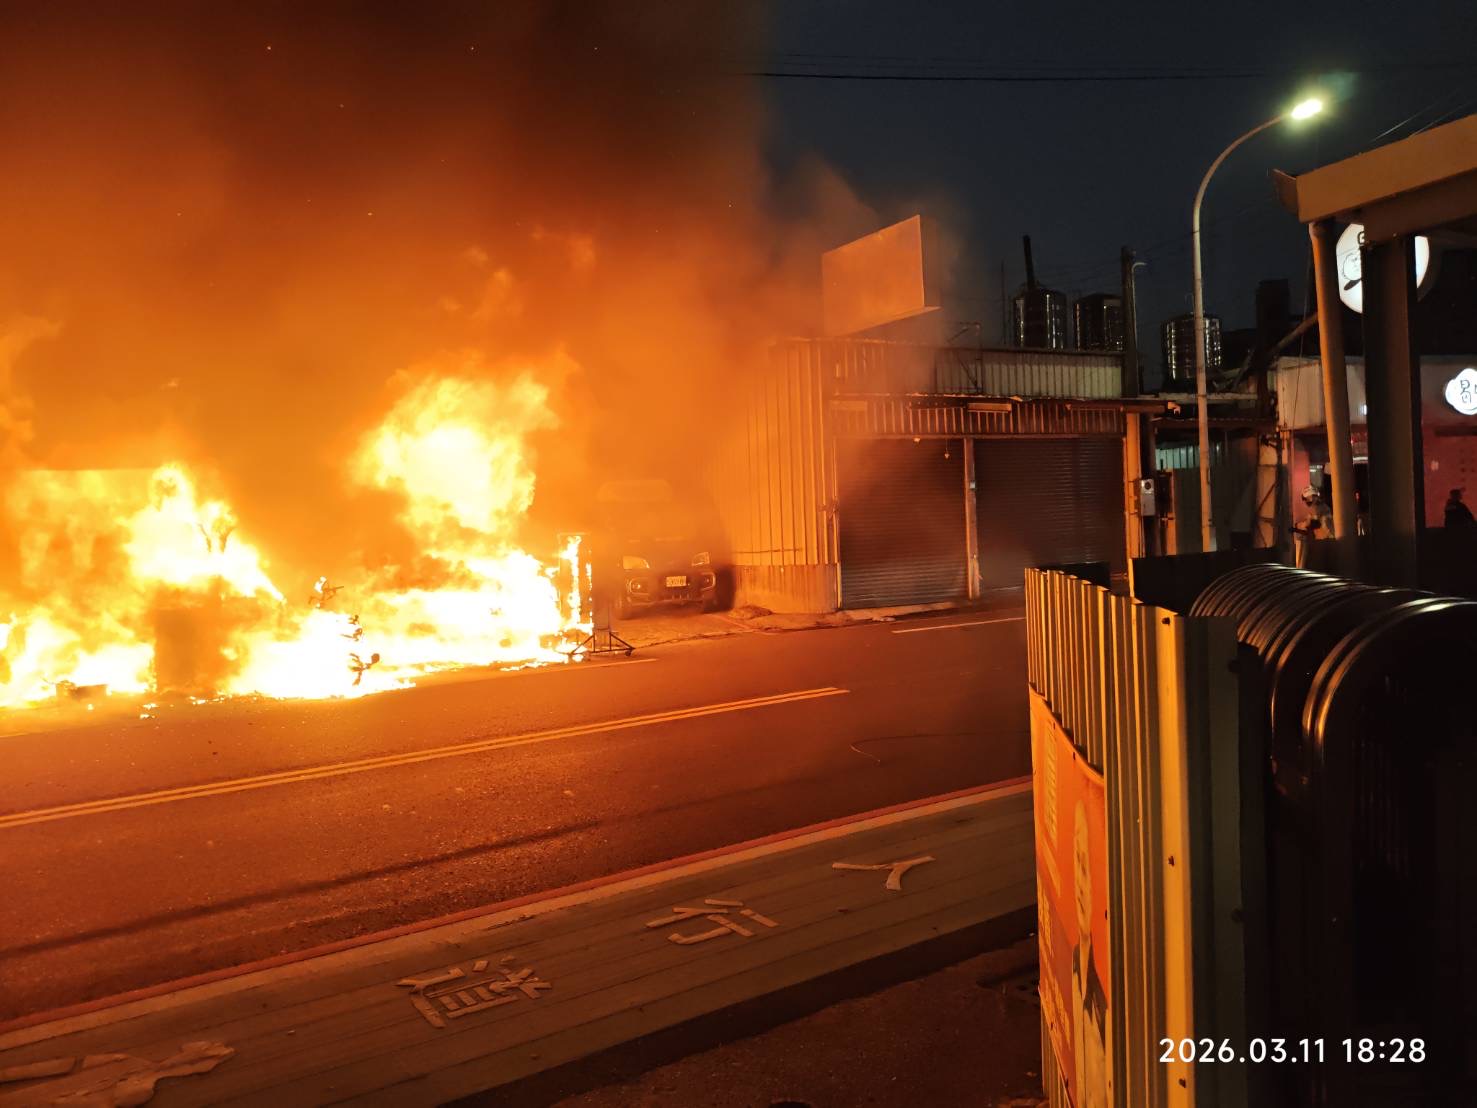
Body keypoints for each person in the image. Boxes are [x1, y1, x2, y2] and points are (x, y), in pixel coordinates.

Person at [1293, 486, 1332, 567]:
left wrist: (1299, 525)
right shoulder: (1318, 507)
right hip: (1317, 540)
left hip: (1322, 540)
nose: (1307, 501)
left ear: (1314, 497)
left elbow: (1315, 522)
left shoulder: (1319, 508)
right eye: (1306, 498)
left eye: (1309, 498)